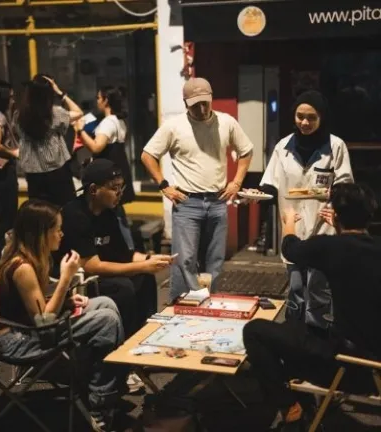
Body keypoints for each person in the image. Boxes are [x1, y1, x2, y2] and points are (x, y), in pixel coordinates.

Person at [243, 183, 381, 431]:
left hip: (347, 367)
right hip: (375, 366)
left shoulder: (328, 246)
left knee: (254, 331)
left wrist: (288, 222)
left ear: (335, 216)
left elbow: (291, 248)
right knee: (299, 328)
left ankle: (290, 408)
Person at [0, 199, 125, 430]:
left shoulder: (32, 256)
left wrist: (65, 301)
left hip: (27, 327)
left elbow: (30, 307)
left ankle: (95, 388)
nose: (61, 234)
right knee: (107, 321)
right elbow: (43, 322)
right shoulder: (22, 267)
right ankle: (100, 407)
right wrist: (66, 278)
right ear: (41, 233)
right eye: (56, 229)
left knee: (105, 303)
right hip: (18, 340)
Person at [141, 77, 254, 302]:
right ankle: (182, 303)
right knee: (185, 259)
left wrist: (237, 182)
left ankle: (211, 302)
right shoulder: (174, 126)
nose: (202, 109)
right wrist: (164, 185)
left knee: (216, 259)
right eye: (195, 104)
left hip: (217, 200)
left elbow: (246, 151)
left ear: (211, 99)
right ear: (186, 103)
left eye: (205, 103)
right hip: (187, 202)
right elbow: (147, 155)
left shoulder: (226, 122)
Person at [257, 90, 353, 331]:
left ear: (322, 117)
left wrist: (339, 209)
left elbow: (344, 186)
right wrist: (259, 196)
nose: (305, 122)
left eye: (311, 117)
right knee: (296, 288)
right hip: (293, 227)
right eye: (300, 116)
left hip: (323, 229)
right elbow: (271, 182)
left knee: (319, 290)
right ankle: (295, 336)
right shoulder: (283, 146)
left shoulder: (335, 146)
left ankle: (319, 340)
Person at [54, 159, 170, 341]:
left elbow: (125, 255)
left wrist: (152, 259)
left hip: (103, 271)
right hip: (79, 279)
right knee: (125, 287)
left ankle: (145, 336)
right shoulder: (75, 215)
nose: (119, 194)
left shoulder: (109, 213)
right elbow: (92, 266)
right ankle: (123, 343)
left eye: (121, 188)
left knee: (145, 278)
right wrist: (143, 266)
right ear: (93, 190)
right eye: (114, 188)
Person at [74, 85, 137, 249]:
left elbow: (97, 147)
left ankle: (127, 250)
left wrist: (80, 131)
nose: (97, 101)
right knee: (115, 213)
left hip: (108, 176)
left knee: (114, 214)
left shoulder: (108, 123)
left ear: (106, 100)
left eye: (98, 98)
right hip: (118, 170)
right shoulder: (119, 121)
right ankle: (122, 248)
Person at [15, 74, 83, 207]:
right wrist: (60, 93)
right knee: (64, 208)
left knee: (39, 211)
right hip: (57, 171)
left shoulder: (19, 115)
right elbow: (78, 112)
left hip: (33, 172)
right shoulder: (55, 113)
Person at [0, 80, 19, 255]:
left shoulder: (4, 116)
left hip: (2, 172)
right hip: (3, 173)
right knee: (6, 218)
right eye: (10, 97)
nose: (13, 100)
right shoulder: (0, 117)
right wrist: (14, 153)